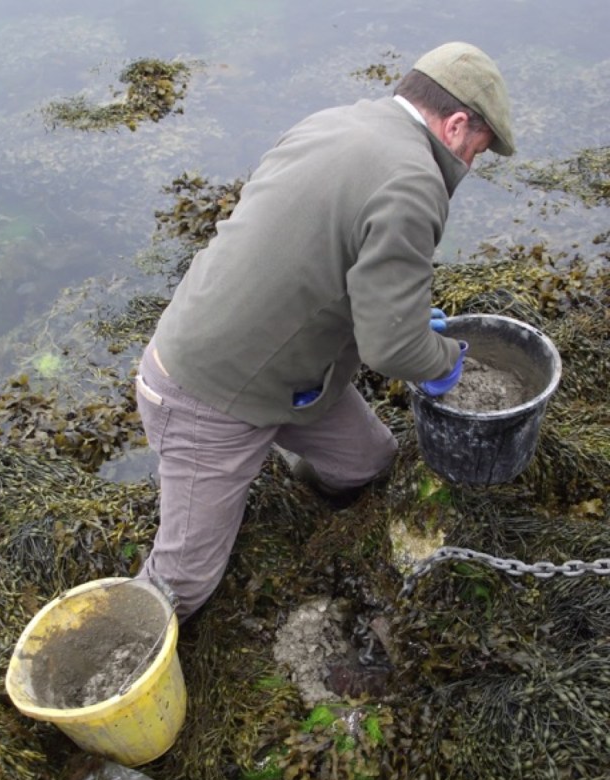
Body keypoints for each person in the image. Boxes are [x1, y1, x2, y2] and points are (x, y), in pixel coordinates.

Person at [134, 41, 515, 622]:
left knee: (366, 461)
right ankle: (107, 694)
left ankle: (279, 468)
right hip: (205, 393)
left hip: (286, 370)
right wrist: (442, 360)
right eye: (476, 150)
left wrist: (409, 322)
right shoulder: (414, 182)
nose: (470, 164)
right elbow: (394, 349)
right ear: (457, 122)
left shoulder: (335, 121)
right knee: (181, 586)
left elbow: (329, 265)